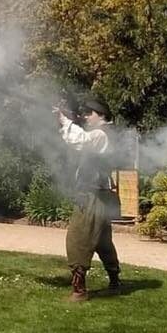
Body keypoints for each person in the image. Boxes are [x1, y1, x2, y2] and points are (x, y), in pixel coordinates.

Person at [56, 98, 122, 302]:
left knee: (78, 238)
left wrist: (64, 120)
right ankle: (114, 280)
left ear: (101, 115)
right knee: (103, 242)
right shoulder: (104, 133)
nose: (86, 117)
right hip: (98, 194)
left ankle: (79, 290)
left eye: (90, 114)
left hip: (92, 194)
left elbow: (80, 141)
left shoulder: (101, 134)